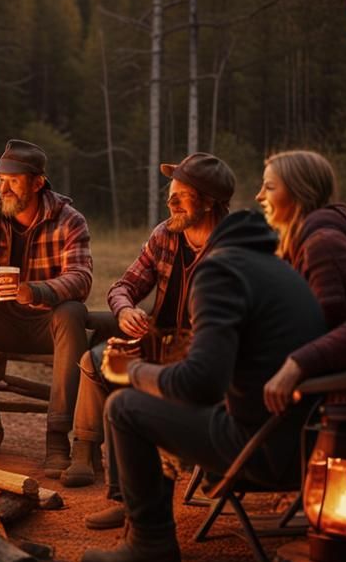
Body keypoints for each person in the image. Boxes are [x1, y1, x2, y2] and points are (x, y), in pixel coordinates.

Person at [79, 209, 326, 562]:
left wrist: (131, 371)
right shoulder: (281, 271)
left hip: (258, 449)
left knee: (124, 406)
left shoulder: (220, 271)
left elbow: (202, 383)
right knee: (155, 398)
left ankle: (151, 543)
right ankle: (135, 513)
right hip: (308, 447)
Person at [70, 153, 235, 520]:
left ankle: (145, 495)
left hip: (206, 361)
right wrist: (126, 310)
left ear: (208, 201)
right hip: (161, 347)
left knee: (129, 380)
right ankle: (116, 488)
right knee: (98, 360)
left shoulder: (232, 247)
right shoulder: (165, 235)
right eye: (170, 193)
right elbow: (123, 286)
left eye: (182, 195)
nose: (170, 201)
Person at [0, 139, 93, 466]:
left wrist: (35, 291)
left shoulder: (69, 220)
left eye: (13, 179)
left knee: (71, 312)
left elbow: (81, 278)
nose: (4, 187)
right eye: (1, 179)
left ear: (38, 182)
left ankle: (57, 440)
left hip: (45, 323)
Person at [255, 150, 346, 413]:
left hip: (327, 403)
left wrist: (297, 364)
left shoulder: (322, 243)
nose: (259, 196)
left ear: (299, 193)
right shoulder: (298, 247)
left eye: (269, 187)